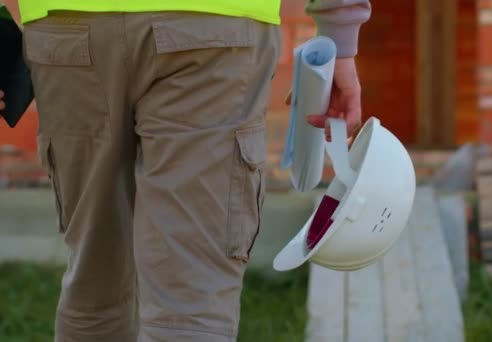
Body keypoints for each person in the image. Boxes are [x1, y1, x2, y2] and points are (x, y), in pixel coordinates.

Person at [8, 0, 371, 341]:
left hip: (69, 27)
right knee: (191, 303)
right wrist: (339, 31)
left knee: (94, 284)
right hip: (213, 29)